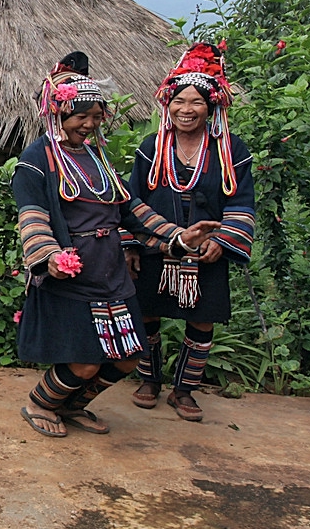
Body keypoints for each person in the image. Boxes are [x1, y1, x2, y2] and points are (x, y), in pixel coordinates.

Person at [13, 53, 218, 438]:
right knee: (85, 362)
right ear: (58, 114)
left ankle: (72, 405)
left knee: (127, 357)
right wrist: (49, 255)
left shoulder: (97, 157)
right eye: (81, 117)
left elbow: (132, 209)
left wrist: (178, 236)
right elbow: (32, 215)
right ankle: (41, 403)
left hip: (110, 272)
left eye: (96, 116)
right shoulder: (37, 159)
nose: (90, 125)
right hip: (72, 276)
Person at [126, 42, 255, 421]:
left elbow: (242, 200)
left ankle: (184, 390)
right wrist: (130, 244)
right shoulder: (152, 147)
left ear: (210, 107)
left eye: (196, 102)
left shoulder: (230, 151)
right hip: (157, 246)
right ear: (168, 105)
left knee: (202, 320)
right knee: (147, 315)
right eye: (179, 101)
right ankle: (149, 380)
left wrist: (223, 240)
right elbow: (132, 200)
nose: (186, 109)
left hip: (208, 250)